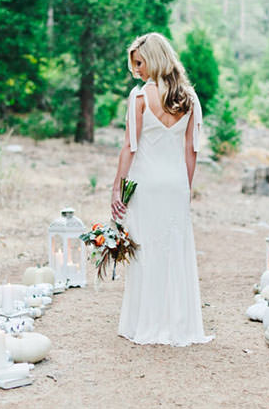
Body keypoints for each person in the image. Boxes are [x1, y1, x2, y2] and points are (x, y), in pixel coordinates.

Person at [111, 32, 214, 346]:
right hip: (175, 185)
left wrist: (117, 188)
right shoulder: (190, 99)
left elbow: (130, 146)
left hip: (147, 185)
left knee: (146, 253)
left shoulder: (141, 97)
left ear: (154, 59)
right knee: (175, 254)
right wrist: (185, 189)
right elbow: (191, 151)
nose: (137, 71)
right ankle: (177, 324)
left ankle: (145, 323)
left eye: (140, 63)